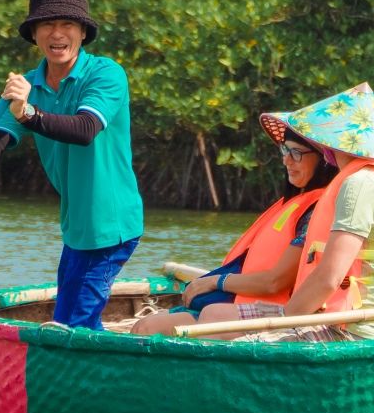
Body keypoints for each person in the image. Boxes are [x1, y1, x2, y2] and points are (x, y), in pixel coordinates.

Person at [0, 0, 144, 330]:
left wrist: (27, 112)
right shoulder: (27, 85)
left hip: (112, 223)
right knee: (66, 318)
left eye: (67, 24)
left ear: (83, 32)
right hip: (77, 227)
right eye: (48, 25)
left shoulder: (106, 74)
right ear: (35, 34)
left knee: (76, 322)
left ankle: (85, 375)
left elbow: (84, 130)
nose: (58, 33)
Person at [253, 82, 374, 341]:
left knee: (238, 347)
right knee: (225, 321)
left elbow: (328, 279)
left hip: (353, 331)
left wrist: (285, 324)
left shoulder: (361, 183)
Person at [131, 123, 336, 338]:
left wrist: (214, 281)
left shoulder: (317, 210)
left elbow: (275, 282)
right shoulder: (294, 204)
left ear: (324, 160)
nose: (287, 160)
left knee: (204, 317)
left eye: (296, 152)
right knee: (145, 326)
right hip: (245, 299)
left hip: (279, 310)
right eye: (285, 150)